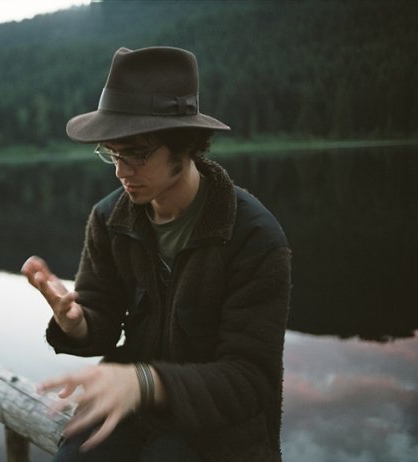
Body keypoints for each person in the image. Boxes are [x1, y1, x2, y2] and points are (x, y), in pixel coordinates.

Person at [21, 46, 291, 462]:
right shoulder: (110, 219)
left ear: (184, 145)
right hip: (131, 405)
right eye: (113, 153)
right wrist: (75, 323)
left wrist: (145, 382)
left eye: (136, 153)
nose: (120, 171)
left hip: (219, 428)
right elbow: (102, 319)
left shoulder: (253, 236)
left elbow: (250, 380)